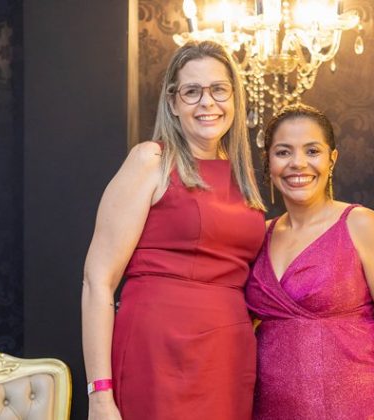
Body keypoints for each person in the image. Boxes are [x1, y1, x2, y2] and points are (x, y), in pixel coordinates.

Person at [81, 41, 266, 420]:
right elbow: (97, 281)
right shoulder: (151, 160)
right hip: (158, 351)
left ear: (234, 97)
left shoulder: (243, 176)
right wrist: (99, 394)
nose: (207, 102)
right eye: (192, 91)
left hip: (229, 356)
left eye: (219, 90)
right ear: (173, 102)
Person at [245, 104, 374, 420]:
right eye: (283, 152)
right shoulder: (259, 235)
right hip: (270, 411)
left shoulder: (361, 224)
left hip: (357, 409)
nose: (298, 163)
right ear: (268, 162)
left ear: (332, 159)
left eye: (312, 151)